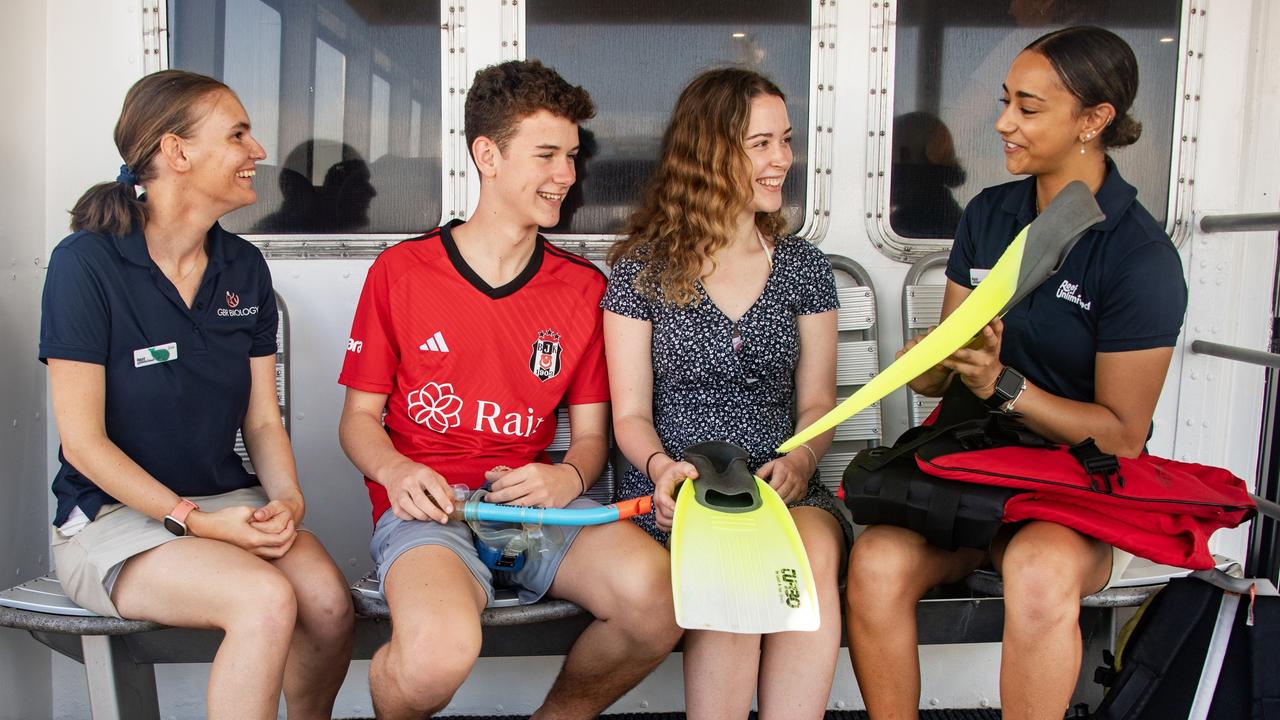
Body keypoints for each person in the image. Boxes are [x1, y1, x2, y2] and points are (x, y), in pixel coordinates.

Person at [845, 26, 1187, 720]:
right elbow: (937, 380)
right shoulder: (991, 214)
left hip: (1072, 484)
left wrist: (1003, 383)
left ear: (1094, 121)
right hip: (975, 475)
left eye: (1028, 109)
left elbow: (1121, 436)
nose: (1002, 122)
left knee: (1035, 575)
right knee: (875, 563)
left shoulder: (1139, 255)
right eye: (1006, 101)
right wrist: (940, 362)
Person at [337, 59, 681, 720]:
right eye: (547, 154)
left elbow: (588, 438)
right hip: (429, 514)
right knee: (436, 657)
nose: (567, 176)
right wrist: (397, 470)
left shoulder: (582, 290)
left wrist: (568, 480)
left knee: (658, 601)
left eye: (573, 156)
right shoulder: (402, 272)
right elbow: (357, 420)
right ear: (486, 155)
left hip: (531, 512)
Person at [40, 70, 354, 720]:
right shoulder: (86, 264)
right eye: (237, 134)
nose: (258, 151)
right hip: (111, 518)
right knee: (263, 600)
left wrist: (288, 498)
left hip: (225, 503)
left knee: (327, 604)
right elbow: (84, 444)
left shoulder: (243, 268)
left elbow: (262, 421)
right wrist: (197, 522)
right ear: (174, 152)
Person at [602, 67, 852, 720]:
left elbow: (819, 404)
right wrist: (661, 470)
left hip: (782, 477)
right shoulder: (642, 270)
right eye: (761, 144)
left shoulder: (801, 267)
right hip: (680, 484)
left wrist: (802, 460)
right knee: (734, 563)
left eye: (786, 141)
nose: (782, 161)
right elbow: (629, 413)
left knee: (811, 555)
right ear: (712, 153)